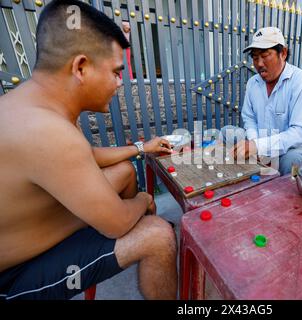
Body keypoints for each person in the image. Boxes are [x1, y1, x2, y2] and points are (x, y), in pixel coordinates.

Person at [0, 0, 177, 300]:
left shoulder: (29, 105)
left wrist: (140, 148)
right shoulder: (50, 131)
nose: (119, 83)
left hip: (27, 234)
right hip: (12, 278)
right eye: (116, 72)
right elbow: (118, 223)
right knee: (159, 234)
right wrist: (144, 200)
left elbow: (86, 156)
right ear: (81, 67)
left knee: (122, 172)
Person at [223, 27, 302, 175]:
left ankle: (285, 196)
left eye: (265, 55)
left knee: (291, 161)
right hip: (261, 144)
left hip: (293, 149)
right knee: (226, 132)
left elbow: (299, 133)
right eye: (255, 58)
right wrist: (255, 145)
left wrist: (258, 146)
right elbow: (249, 118)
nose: (259, 63)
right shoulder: (253, 83)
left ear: (283, 53)